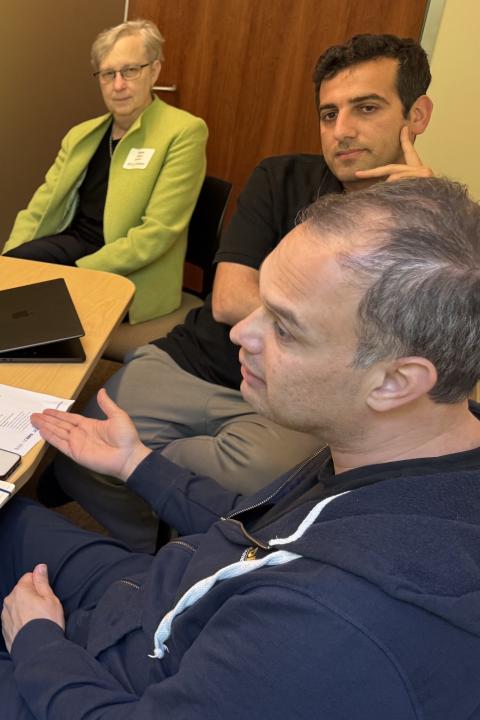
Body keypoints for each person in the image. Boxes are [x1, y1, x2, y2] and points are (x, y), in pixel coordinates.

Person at [0, 176, 480, 719]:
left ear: (396, 381)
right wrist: (138, 464)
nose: (241, 330)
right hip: (160, 595)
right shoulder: (419, 444)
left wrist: (39, 644)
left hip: (119, 681)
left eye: (285, 327)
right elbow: (267, 532)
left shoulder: (337, 623)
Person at [51, 34, 437, 551]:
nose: (342, 131)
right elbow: (231, 299)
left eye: (366, 108)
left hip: (297, 399)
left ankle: (200, 534)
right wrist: (327, 328)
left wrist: (412, 220)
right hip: (199, 360)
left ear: (417, 115)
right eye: (328, 114)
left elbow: (426, 351)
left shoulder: (436, 224)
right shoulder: (280, 177)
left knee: (267, 491)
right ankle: (190, 548)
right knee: (77, 453)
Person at [3, 20, 207, 325]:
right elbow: (38, 209)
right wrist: (3, 260)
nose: (118, 85)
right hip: (76, 244)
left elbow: (157, 234)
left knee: (32, 311)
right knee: (11, 275)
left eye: (130, 71)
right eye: (108, 74)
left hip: (132, 271)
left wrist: (77, 272)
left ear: (154, 70)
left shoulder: (184, 131)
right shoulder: (82, 135)